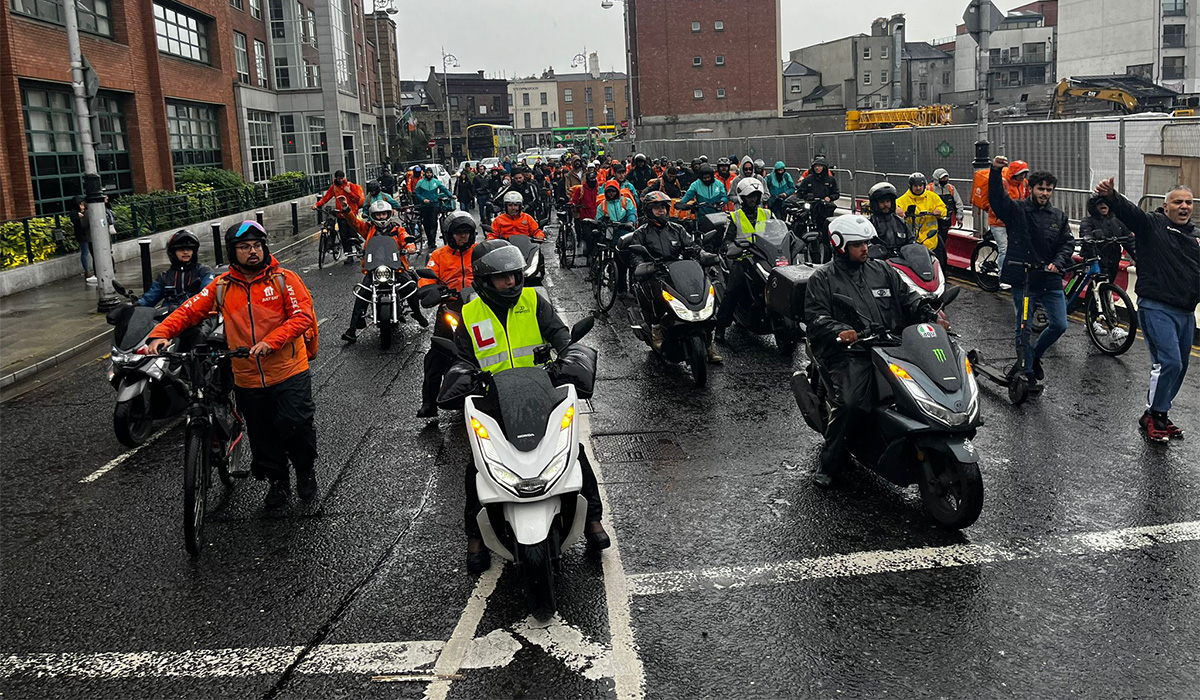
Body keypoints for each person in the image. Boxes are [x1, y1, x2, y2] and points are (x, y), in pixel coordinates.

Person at [446, 240, 610, 573]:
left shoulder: (535, 300)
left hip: (539, 391)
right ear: (485, 281)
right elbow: (462, 356)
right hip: (493, 398)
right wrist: (464, 376)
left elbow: (560, 336)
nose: (512, 283)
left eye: (515, 276)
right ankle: (475, 536)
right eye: (503, 278)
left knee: (573, 451)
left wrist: (568, 355)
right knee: (477, 465)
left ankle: (592, 518)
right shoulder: (469, 312)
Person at [146, 221, 318, 507]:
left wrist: (270, 342)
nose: (252, 252)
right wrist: (161, 333)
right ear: (232, 252)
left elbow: (302, 317)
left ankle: (304, 471)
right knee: (262, 434)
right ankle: (278, 482)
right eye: (244, 247)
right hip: (248, 376)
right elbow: (189, 310)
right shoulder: (222, 286)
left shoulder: (284, 279)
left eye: (256, 246)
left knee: (296, 424)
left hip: (289, 370)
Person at [803, 215, 944, 487]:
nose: (865, 249)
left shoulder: (883, 270)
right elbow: (816, 317)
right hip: (850, 351)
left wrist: (929, 313)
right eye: (857, 244)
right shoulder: (823, 278)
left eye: (867, 243)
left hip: (891, 345)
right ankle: (829, 462)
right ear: (839, 244)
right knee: (852, 403)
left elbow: (908, 297)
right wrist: (841, 331)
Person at [1095, 179, 1196, 442]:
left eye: (1189, 202)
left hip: (1185, 311)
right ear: (1166, 206)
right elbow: (1132, 214)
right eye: (1178, 202)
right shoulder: (1152, 224)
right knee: (1169, 362)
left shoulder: (1193, 238)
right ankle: (1158, 416)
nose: (1184, 206)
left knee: (1180, 367)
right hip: (1156, 306)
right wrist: (1112, 196)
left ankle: (1154, 413)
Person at [988, 156, 1073, 390]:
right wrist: (995, 171)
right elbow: (996, 199)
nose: (1045, 193)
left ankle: (1033, 356)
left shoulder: (1058, 216)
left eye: (1049, 189)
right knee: (1023, 325)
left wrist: (1058, 261)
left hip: (1050, 280)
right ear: (1031, 188)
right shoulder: (1017, 211)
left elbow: (1067, 243)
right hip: (1024, 280)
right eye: (1041, 188)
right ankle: (1026, 371)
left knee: (1060, 324)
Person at [630, 191, 723, 363]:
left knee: (707, 288)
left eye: (663, 208)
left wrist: (702, 253)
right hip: (655, 273)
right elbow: (636, 256)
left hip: (678, 271)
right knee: (654, 292)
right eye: (657, 208)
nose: (661, 211)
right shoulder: (641, 233)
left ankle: (709, 343)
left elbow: (692, 246)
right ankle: (656, 328)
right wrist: (642, 266)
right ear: (648, 210)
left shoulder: (677, 229)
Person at [417, 211, 478, 418]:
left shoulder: (479, 251)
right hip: (449, 309)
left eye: (467, 233)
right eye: (459, 233)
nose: (463, 237)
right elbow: (426, 280)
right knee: (436, 356)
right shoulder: (438, 256)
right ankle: (429, 402)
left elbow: (495, 267)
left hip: (478, 308)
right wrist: (430, 290)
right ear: (450, 234)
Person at [341, 199, 425, 343]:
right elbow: (355, 223)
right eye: (378, 215)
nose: (381, 217)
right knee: (362, 293)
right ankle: (352, 329)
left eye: (384, 214)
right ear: (373, 216)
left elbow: (406, 238)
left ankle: (417, 314)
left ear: (389, 214)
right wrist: (347, 209)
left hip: (395, 266)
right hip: (374, 268)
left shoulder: (397, 229)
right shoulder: (368, 229)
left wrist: (410, 246)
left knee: (411, 286)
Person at [714, 179, 772, 343]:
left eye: (755, 196)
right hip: (742, 260)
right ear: (742, 198)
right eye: (749, 196)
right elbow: (726, 241)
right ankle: (721, 327)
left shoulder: (767, 214)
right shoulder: (735, 216)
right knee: (733, 290)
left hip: (765, 257)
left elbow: (777, 232)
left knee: (783, 284)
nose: (753, 199)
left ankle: (794, 326)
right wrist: (735, 247)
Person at [134, 230, 216, 309]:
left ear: (194, 251)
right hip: (170, 318)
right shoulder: (164, 277)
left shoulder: (204, 272)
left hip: (197, 315)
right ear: (173, 252)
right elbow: (149, 299)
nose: (185, 252)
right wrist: (134, 306)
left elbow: (207, 293)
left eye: (189, 249)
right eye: (181, 249)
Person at [988, 160, 1030, 290]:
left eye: (1024, 173)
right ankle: (1002, 277)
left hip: (1013, 221)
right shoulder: (1004, 183)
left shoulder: (1023, 184)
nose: (1022, 176)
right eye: (1020, 173)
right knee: (1004, 249)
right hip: (998, 222)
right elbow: (996, 198)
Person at [1080, 194, 1135, 284]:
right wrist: (1088, 238)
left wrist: (1137, 257)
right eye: (1099, 203)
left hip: (1113, 261)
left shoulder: (1117, 222)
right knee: (1094, 288)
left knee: (1108, 286)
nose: (1103, 205)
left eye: (1106, 203)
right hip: (1096, 260)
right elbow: (1085, 233)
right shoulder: (1088, 221)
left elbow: (1129, 240)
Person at [895, 173, 949, 265]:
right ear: (910, 186)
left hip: (932, 240)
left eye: (920, 185)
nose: (918, 188)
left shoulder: (933, 197)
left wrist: (939, 211)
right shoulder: (902, 200)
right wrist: (897, 211)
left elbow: (943, 208)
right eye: (915, 186)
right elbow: (894, 209)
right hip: (913, 242)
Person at [312, 170, 365, 257]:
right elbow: (326, 198)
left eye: (341, 178)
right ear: (335, 178)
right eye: (338, 178)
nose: (340, 180)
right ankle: (349, 255)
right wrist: (316, 205)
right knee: (344, 236)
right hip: (340, 215)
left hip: (351, 214)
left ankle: (359, 250)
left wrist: (349, 192)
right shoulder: (334, 188)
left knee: (352, 233)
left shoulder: (350, 186)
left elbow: (357, 199)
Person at [865, 182, 914, 254]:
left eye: (888, 201)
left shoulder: (900, 222)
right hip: (879, 262)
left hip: (901, 261)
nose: (886, 205)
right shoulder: (869, 224)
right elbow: (866, 246)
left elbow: (911, 241)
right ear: (875, 204)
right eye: (882, 202)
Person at [796, 156, 840, 232]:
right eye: (816, 166)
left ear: (824, 167)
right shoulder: (808, 179)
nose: (817, 168)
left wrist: (830, 198)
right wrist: (807, 196)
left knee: (826, 227)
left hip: (825, 208)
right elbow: (800, 192)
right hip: (812, 207)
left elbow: (836, 193)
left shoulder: (830, 180)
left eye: (819, 166)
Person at [414, 167, 454, 249]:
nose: (429, 174)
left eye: (430, 173)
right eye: (427, 173)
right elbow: (417, 193)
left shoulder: (436, 182)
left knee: (433, 223)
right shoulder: (420, 182)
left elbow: (444, 189)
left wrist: (451, 195)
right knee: (426, 223)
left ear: (432, 174)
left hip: (434, 205)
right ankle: (429, 239)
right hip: (424, 206)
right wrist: (423, 199)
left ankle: (432, 241)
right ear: (425, 173)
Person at [569, 169, 601, 255]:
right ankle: (588, 254)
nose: (592, 180)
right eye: (591, 179)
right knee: (588, 237)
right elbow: (574, 200)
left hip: (598, 217)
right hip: (585, 218)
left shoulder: (599, 189)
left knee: (598, 237)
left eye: (594, 178)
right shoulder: (581, 190)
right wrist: (573, 204)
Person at [69, 195, 96, 284]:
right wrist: (80, 215)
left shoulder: (85, 210)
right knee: (85, 252)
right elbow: (76, 221)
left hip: (87, 234)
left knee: (90, 251)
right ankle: (87, 270)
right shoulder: (74, 212)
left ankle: (92, 269)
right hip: (81, 234)